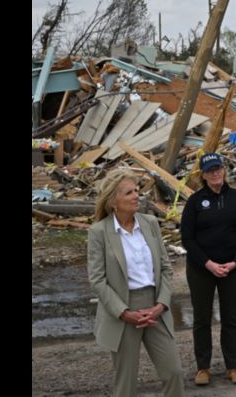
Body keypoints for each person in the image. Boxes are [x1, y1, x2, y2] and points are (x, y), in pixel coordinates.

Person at [87, 168, 184, 397]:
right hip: (122, 310)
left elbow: (166, 269)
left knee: (174, 373)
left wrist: (161, 304)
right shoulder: (99, 232)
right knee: (126, 383)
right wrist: (123, 312)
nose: (136, 195)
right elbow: (97, 280)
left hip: (155, 307)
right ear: (113, 201)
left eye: (137, 190)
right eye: (129, 192)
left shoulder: (150, 223)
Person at [181, 152, 236, 385]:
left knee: (230, 317)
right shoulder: (194, 201)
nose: (215, 173)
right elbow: (187, 239)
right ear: (203, 175)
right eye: (210, 170)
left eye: (218, 168)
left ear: (224, 170)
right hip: (202, 269)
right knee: (202, 318)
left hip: (232, 268)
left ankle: (233, 366)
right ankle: (203, 367)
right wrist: (208, 264)